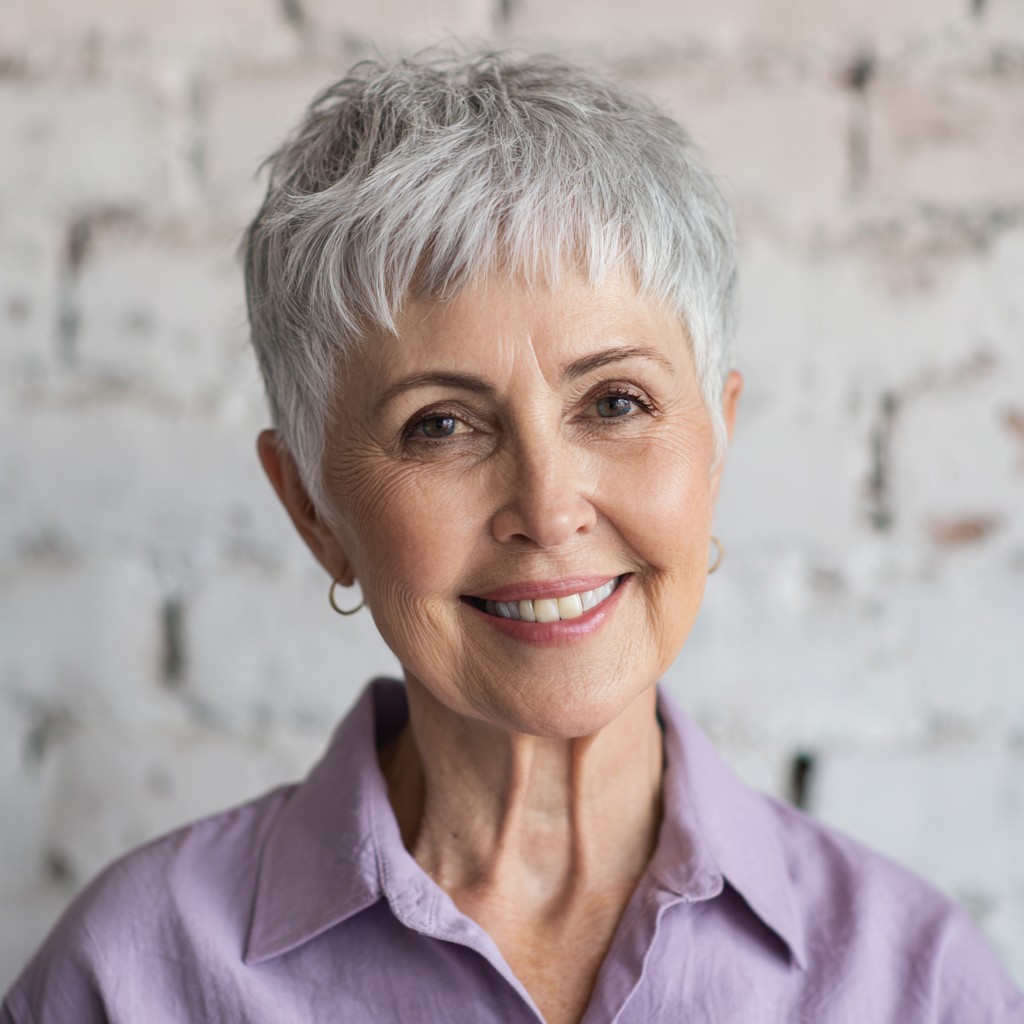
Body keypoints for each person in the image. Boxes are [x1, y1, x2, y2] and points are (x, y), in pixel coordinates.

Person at [3, 48, 1021, 1024]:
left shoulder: (918, 983)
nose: (547, 506)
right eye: (440, 425)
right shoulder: (132, 980)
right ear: (313, 507)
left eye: (615, 402)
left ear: (713, 444)